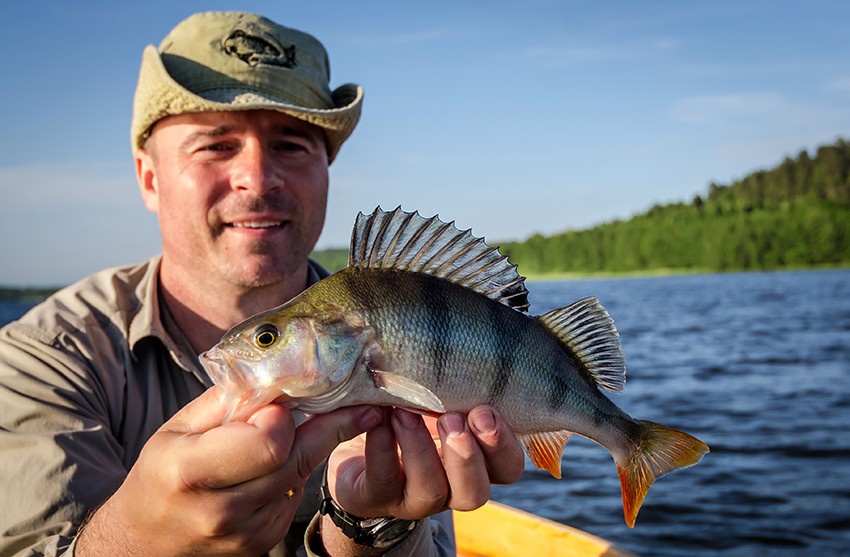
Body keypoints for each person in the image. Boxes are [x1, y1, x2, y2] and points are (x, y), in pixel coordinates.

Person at [0, 11, 525, 557]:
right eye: (216, 145)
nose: (258, 176)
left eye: (292, 144)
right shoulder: (39, 360)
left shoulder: (394, 338)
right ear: (150, 178)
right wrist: (137, 538)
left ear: (327, 171)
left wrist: (365, 526)